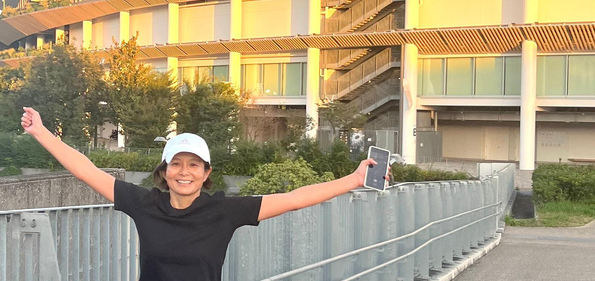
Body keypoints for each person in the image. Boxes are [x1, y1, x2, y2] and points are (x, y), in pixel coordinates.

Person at [20, 106, 386, 281]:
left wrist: (353, 180)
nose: (184, 172)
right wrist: (41, 132)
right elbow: (87, 169)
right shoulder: (144, 203)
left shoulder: (223, 211)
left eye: (194, 165)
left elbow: (293, 198)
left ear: (206, 173)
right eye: (176, 164)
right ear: (163, 171)